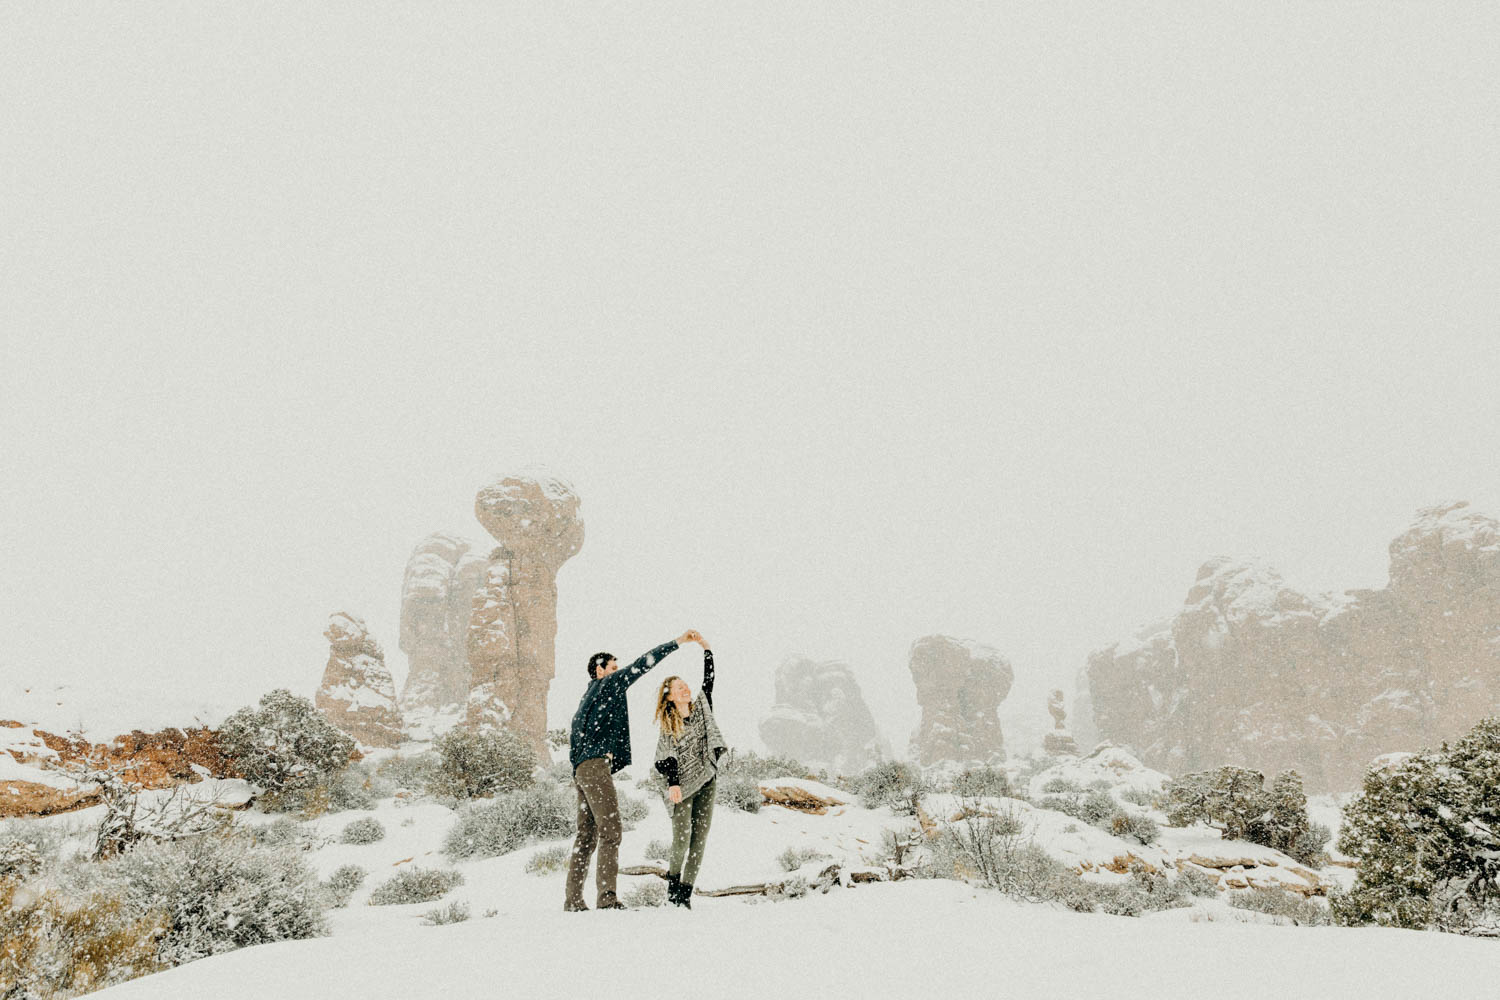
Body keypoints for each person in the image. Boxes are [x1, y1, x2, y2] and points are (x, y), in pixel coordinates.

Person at [565, 629, 702, 912]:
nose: (618, 672)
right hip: (594, 767)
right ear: (600, 670)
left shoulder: (585, 698)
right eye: (613, 668)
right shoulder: (607, 685)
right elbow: (643, 664)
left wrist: (580, 769)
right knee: (611, 831)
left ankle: (574, 901)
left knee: (586, 837)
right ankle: (607, 899)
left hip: (581, 770)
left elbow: (574, 736)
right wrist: (677, 643)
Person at [652, 636, 728, 908]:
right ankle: (672, 886)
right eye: (678, 688)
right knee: (681, 840)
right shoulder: (668, 723)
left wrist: (707, 649)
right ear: (669, 696)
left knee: (700, 840)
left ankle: (685, 896)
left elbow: (709, 680)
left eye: (685, 686)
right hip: (680, 786)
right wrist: (673, 783)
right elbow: (665, 757)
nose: (685, 689)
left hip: (707, 778)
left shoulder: (702, 708)